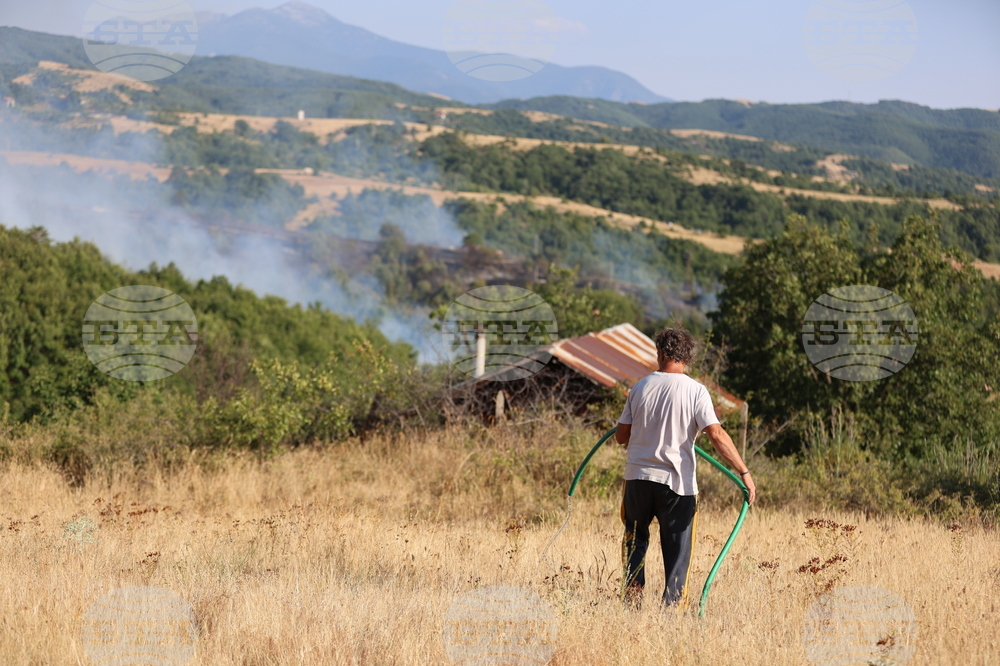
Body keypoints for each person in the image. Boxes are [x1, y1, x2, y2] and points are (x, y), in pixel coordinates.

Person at [615, 328, 756, 608]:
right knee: (678, 552)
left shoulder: (639, 387)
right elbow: (716, 434)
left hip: (638, 480)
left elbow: (621, 437)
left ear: (659, 353)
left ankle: (631, 605)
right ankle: (672, 612)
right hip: (676, 484)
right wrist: (743, 472)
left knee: (634, 542)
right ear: (688, 358)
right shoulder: (695, 391)